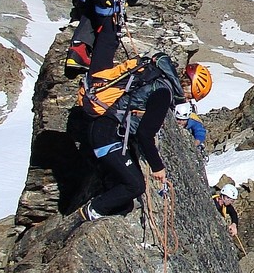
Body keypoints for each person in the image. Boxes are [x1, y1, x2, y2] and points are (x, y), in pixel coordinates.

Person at [79, 61, 213, 221]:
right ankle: (93, 211)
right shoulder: (164, 92)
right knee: (135, 185)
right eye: (191, 95)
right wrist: (158, 167)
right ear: (188, 86)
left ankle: (109, 210)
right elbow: (144, 134)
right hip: (106, 134)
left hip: (104, 128)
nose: (188, 99)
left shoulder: (159, 81)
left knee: (125, 184)